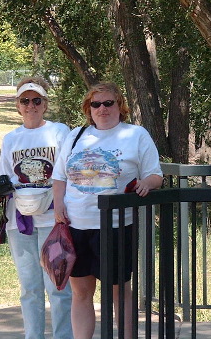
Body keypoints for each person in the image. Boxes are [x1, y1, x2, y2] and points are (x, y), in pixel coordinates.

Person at [52, 82, 163, 339]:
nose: (102, 109)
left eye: (108, 103)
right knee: (81, 292)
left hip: (115, 226)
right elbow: (60, 177)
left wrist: (147, 183)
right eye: (96, 104)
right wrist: (58, 204)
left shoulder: (136, 135)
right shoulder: (76, 136)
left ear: (120, 106)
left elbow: (155, 175)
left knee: (118, 291)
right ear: (88, 109)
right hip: (76, 226)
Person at [0, 76, 73, 339]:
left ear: (45, 104)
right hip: (20, 221)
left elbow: (67, 173)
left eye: (36, 100)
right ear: (18, 106)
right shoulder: (11, 139)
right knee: (30, 287)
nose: (31, 105)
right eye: (25, 101)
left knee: (57, 285)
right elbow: (6, 179)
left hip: (53, 219)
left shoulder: (59, 131)